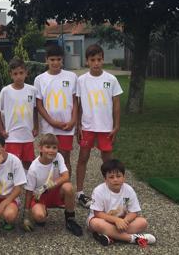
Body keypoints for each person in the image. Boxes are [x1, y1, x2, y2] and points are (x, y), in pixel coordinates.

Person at [75, 44, 123, 208]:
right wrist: (78, 125)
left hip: (106, 128)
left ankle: (109, 191)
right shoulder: (81, 80)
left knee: (108, 161)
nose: (96, 63)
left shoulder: (111, 79)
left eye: (99, 59)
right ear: (87, 61)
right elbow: (78, 105)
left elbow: (116, 104)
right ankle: (80, 193)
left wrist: (116, 126)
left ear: (103, 60)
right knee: (83, 158)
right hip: (87, 127)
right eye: (92, 60)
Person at [22, 134, 83, 236]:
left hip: (54, 191)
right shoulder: (33, 168)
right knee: (39, 217)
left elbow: (66, 176)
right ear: (40, 148)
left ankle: (70, 219)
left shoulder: (58, 157)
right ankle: (42, 210)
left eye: (54, 147)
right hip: (39, 195)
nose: (51, 150)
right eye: (48, 147)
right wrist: (26, 215)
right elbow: (29, 191)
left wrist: (47, 186)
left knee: (68, 187)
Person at [88, 159, 156, 247]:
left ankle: (110, 236)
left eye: (118, 176)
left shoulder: (128, 190)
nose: (115, 179)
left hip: (122, 222)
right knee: (95, 223)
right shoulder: (99, 191)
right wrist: (116, 220)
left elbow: (134, 212)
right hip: (103, 221)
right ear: (105, 179)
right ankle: (133, 239)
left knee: (143, 222)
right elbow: (98, 213)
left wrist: (124, 221)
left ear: (124, 177)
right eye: (111, 177)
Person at [34, 44, 78, 177]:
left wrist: (73, 120)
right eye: (52, 59)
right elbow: (39, 104)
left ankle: (65, 187)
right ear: (46, 60)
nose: (55, 62)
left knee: (65, 157)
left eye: (58, 59)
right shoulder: (40, 79)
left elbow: (75, 101)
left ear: (62, 60)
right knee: (47, 157)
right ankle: (47, 185)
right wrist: (52, 121)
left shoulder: (72, 77)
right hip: (49, 127)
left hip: (66, 126)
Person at [0, 58, 38, 170]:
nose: (18, 76)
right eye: (15, 74)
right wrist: (1, 130)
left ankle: (29, 186)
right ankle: (14, 187)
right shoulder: (6, 91)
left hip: (28, 135)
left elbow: (35, 110)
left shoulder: (32, 90)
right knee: (12, 165)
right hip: (12, 136)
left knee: (29, 164)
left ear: (26, 73)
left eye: (21, 73)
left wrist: (36, 127)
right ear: (11, 75)